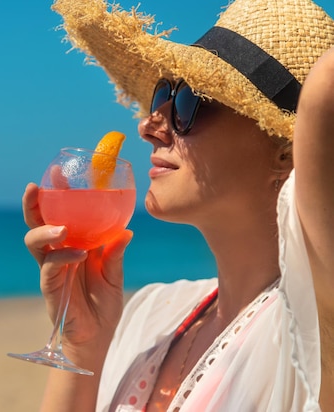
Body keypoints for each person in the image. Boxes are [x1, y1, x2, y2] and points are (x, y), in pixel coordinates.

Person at [21, 0, 334, 410]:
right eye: (162, 95)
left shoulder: (312, 328)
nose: (149, 126)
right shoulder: (151, 312)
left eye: (189, 103)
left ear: (287, 151)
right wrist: (84, 348)